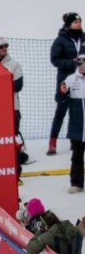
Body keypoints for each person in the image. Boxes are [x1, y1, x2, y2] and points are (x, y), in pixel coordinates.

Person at [49, 12, 83, 155]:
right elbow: (55, 60)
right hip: (66, 78)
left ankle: (75, 140)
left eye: (80, 21)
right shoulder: (60, 40)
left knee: (79, 110)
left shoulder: (84, 37)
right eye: (76, 22)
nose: (79, 24)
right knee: (61, 111)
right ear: (69, 24)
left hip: (82, 79)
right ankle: (52, 141)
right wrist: (72, 63)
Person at [0, 36, 24, 180]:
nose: (4, 49)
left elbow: (18, 86)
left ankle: (16, 175)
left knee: (11, 142)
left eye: (6, 46)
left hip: (11, 109)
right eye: (1, 46)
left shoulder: (13, 64)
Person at [59, 53, 85, 193]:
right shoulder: (70, 79)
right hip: (77, 127)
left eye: (84, 63)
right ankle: (77, 183)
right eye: (79, 63)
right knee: (77, 156)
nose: (81, 66)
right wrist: (62, 93)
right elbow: (61, 100)